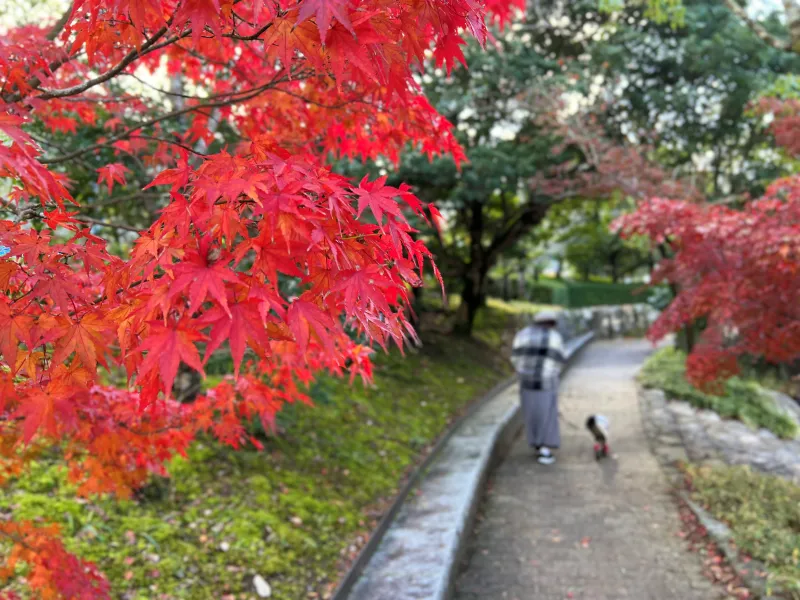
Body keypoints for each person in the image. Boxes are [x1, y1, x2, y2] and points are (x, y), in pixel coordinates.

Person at [510, 309, 566, 464]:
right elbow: (560, 359)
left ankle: (535, 443)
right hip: (546, 383)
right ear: (551, 323)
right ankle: (545, 449)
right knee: (546, 415)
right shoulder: (554, 337)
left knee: (531, 413)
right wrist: (552, 374)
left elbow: (515, 358)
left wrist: (524, 372)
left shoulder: (522, 334)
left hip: (526, 382)